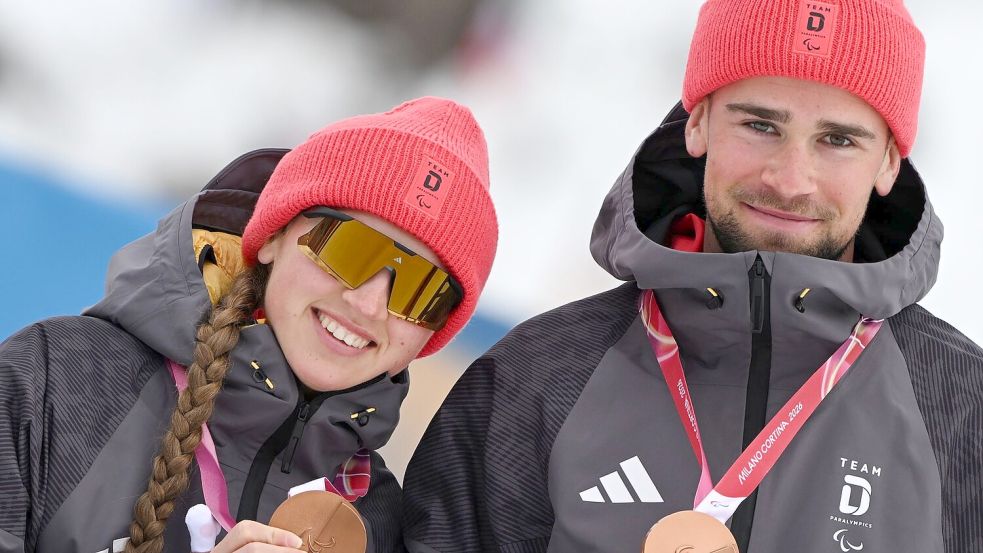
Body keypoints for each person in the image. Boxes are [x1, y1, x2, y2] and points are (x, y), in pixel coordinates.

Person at [401, 1, 983, 552]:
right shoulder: (537, 377)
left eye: (838, 140)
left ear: (888, 161)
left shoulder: (961, 405)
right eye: (760, 125)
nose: (790, 179)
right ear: (698, 123)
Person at [0, 96, 498, 553]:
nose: (369, 304)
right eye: (350, 248)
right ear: (273, 236)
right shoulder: (58, 381)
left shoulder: (386, 526)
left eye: (420, 291)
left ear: (433, 331)